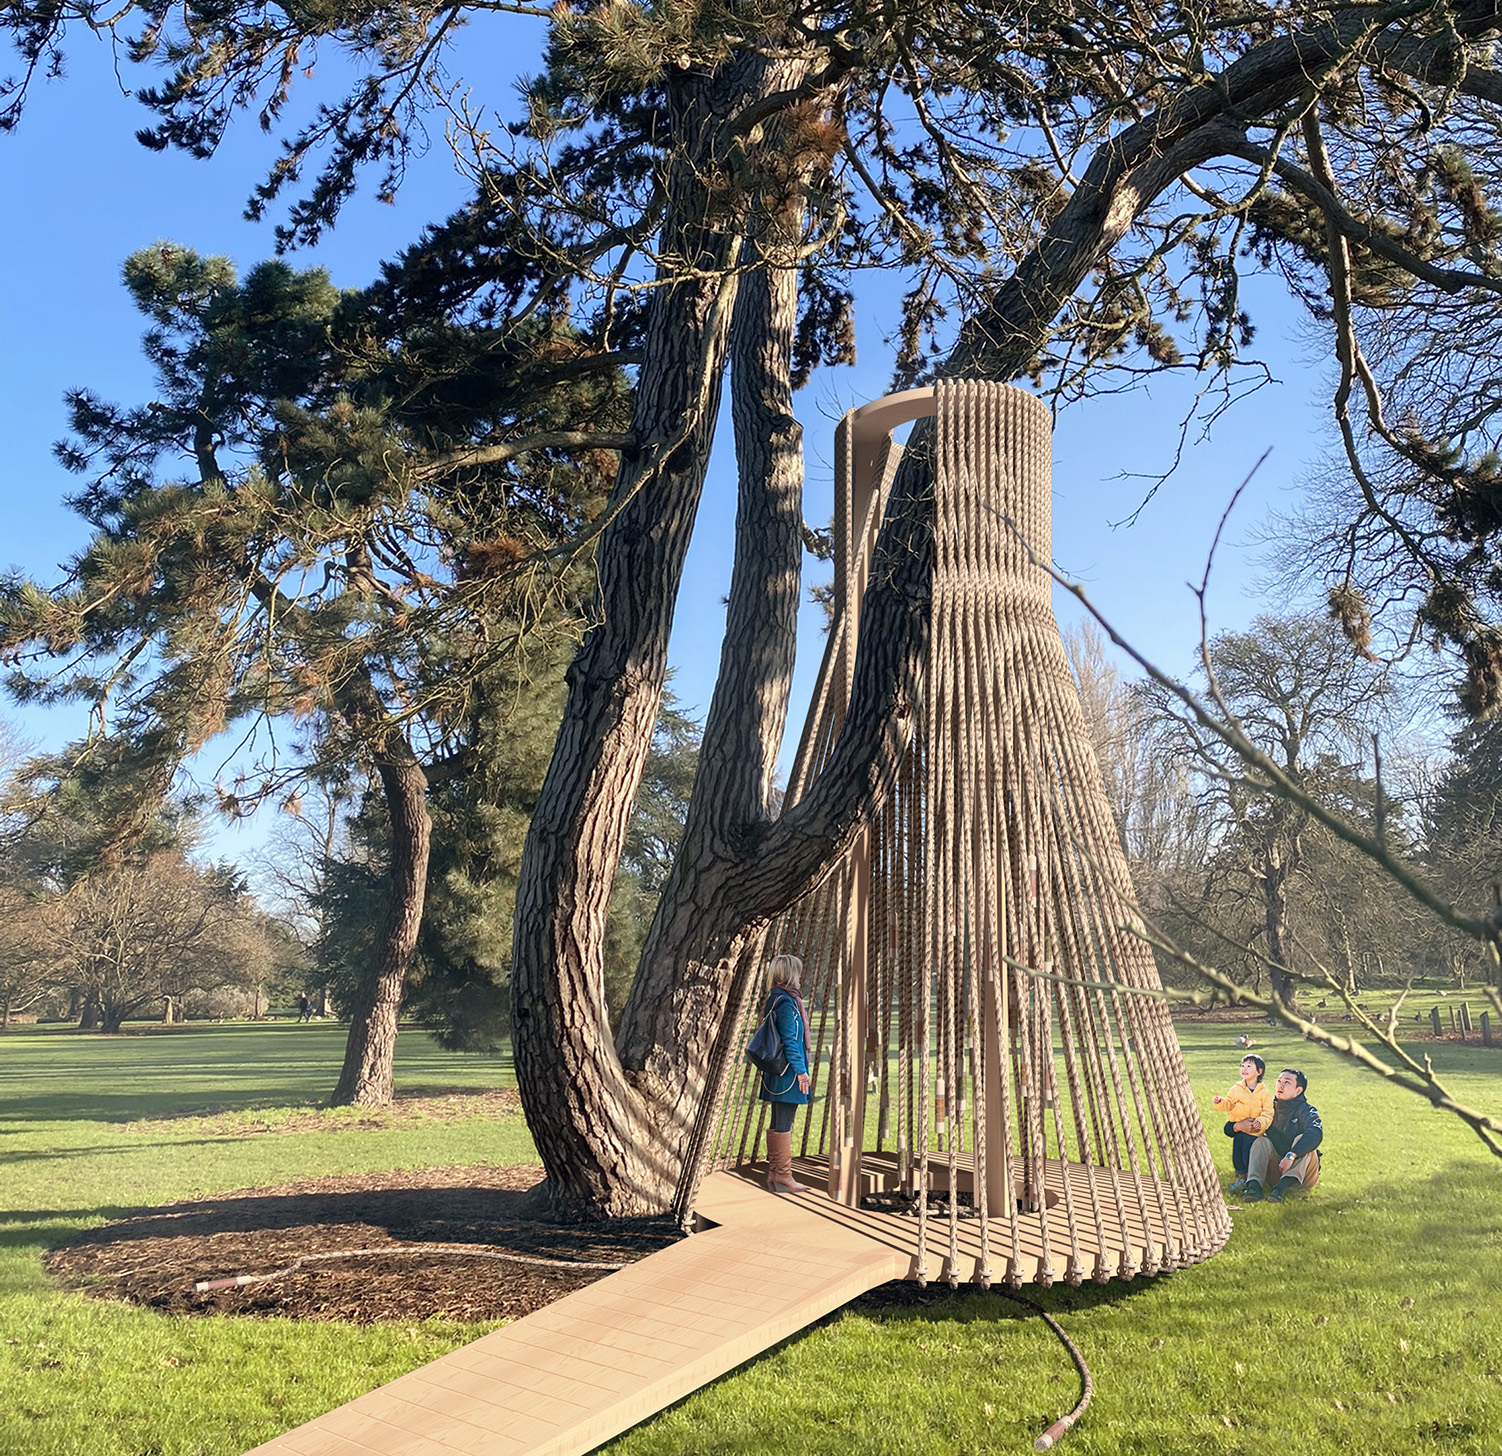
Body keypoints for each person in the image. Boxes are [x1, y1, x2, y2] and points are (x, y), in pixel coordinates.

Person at [759, 953, 812, 1194]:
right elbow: (790, 1041)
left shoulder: (776, 998)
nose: (800, 976)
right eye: (797, 971)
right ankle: (783, 1176)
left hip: (777, 1071)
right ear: (790, 974)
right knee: (784, 1123)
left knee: (777, 1121)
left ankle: (775, 1172)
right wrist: (801, 1072)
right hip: (788, 1073)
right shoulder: (787, 1003)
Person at [1243, 1067, 1323, 1204]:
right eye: (1279, 1081)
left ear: (1298, 1090)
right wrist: (1237, 1125)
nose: (1281, 1085)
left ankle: (1281, 1188)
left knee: (1303, 1140)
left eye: (1287, 1082)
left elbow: (1316, 1132)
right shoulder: (1268, 1109)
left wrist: (1292, 1155)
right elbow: (1233, 1128)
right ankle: (1254, 1187)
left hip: (1303, 1176)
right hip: (1276, 1169)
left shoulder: (1307, 1110)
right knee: (1262, 1141)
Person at [1218, 1054, 1274, 1193]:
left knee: (1249, 1157)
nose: (1244, 1068)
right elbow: (1228, 1104)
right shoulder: (1236, 1089)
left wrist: (1260, 1122)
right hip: (1239, 1131)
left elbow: (1268, 1112)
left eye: (1249, 1066)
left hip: (1254, 1133)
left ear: (1259, 1071)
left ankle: (1252, 1182)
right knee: (1238, 1156)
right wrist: (1220, 1102)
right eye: (1242, 1065)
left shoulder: (1264, 1093)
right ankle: (1241, 1180)